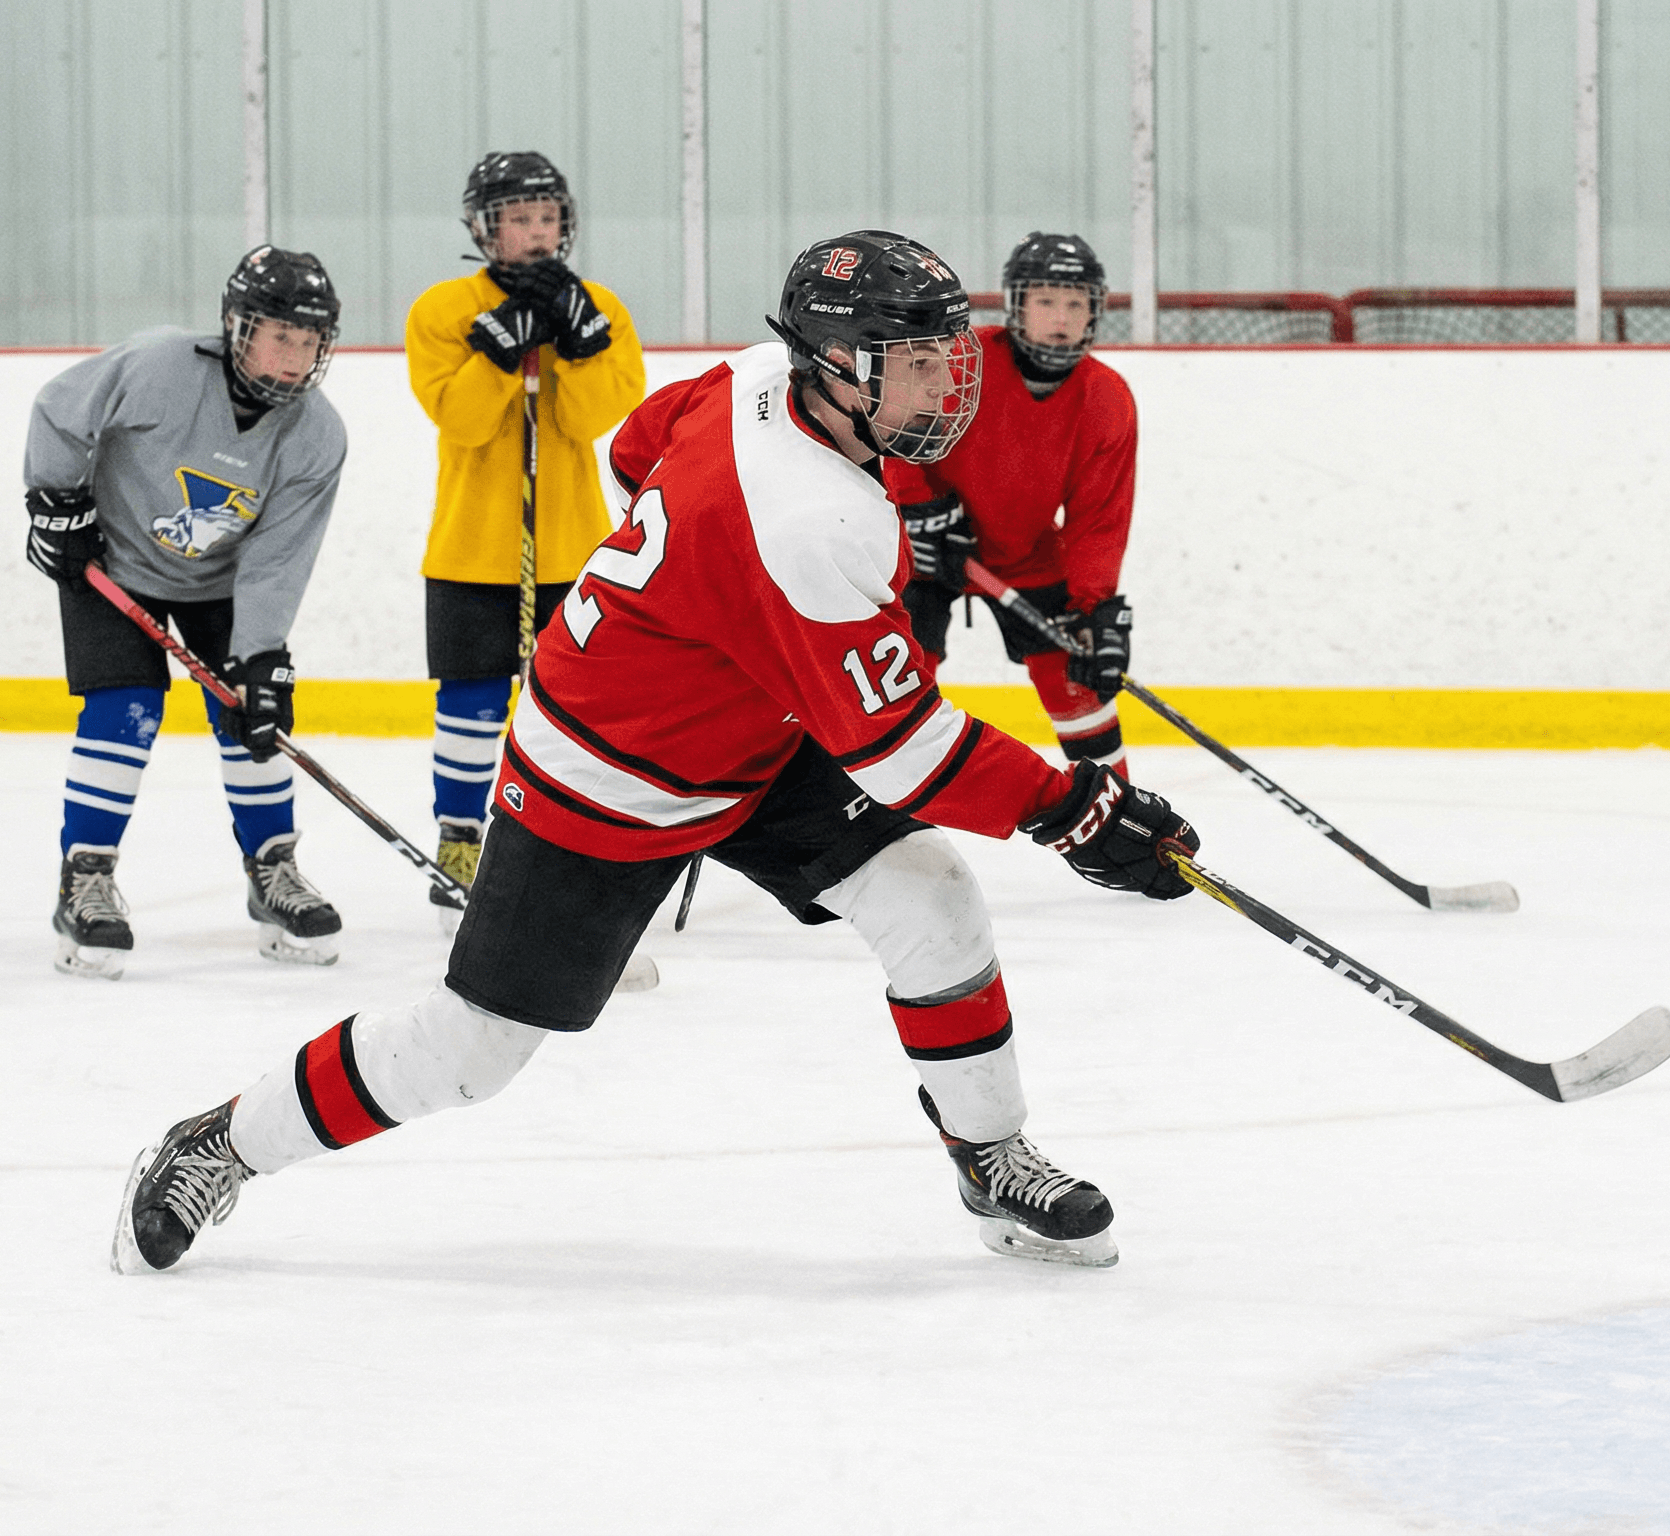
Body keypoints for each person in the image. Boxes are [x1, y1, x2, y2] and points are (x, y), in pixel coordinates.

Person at [111, 230, 1202, 1279]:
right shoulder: (811, 519)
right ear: (836, 365)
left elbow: (635, 449)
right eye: (915, 363)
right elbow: (903, 750)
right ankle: (221, 1144)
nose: (947, 385)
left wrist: (711, 620)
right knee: (469, 1053)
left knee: (930, 894)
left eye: (947, 354)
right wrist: (1077, 812)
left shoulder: (756, 375)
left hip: (752, 735)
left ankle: (989, 1157)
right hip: (606, 772)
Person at [23, 245, 349, 978]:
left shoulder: (316, 434)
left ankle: (273, 869)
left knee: (252, 714)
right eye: (280, 335)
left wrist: (261, 654)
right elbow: (60, 412)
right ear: (238, 326)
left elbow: (279, 556)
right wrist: (57, 502)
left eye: (309, 341)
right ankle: (86, 880)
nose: (295, 357)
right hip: (113, 565)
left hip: (223, 587)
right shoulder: (158, 367)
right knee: (125, 708)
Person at [405, 150, 646, 930]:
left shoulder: (600, 306)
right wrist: (496, 354)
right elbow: (466, 422)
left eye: (547, 217)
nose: (537, 232)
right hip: (471, 550)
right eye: (519, 219)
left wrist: (579, 345)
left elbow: (588, 420)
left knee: (575, 711)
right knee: (470, 707)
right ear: (485, 229)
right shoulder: (443, 310)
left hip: (575, 552)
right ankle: (460, 841)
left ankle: (567, 844)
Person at [881, 232, 1138, 771]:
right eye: (1045, 301)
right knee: (897, 680)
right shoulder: (962, 359)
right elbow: (896, 424)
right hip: (924, 550)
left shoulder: (1106, 398)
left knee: (1078, 682)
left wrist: (1094, 608)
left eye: (1076, 304)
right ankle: (870, 801)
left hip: (1025, 556)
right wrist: (918, 508)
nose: (1061, 317)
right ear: (1017, 304)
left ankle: (1116, 807)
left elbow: (1098, 520)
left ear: (1095, 312)